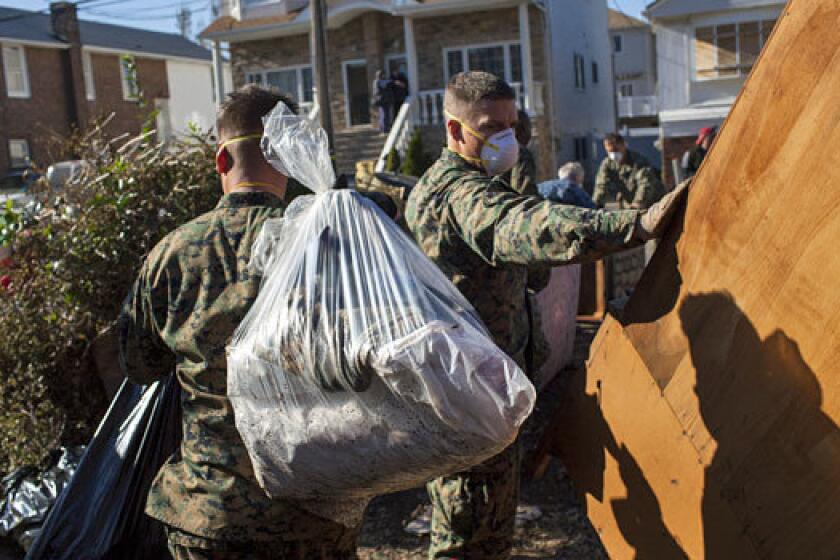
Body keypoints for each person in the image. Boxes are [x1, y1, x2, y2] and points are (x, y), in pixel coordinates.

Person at [405, 71, 689, 560]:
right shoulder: (462, 193)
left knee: (485, 532)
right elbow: (523, 225)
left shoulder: (456, 185)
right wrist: (632, 224)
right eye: (491, 127)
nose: (506, 139)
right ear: (455, 131)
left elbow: (514, 265)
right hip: (470, 403)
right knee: (465, 538)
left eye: (512, 126)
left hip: (477, 394)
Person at [118, 85, 359, 560]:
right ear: (289, 157)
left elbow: (139, 364)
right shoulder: (330, 245)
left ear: (220, 162)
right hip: (315, 512)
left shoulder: (172, 253)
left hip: (210, 514)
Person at [594, 132, 665, 209]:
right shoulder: (607, 164)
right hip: (630, 204)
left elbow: (645, 183)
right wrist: (596, 204)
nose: (613, 154)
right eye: (610, 152)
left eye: (616, 150)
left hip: (652, 203)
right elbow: (601, 185)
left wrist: (638, 202)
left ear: (623, 145)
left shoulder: (638, 162)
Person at [502, 109, 539, 196]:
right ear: (523, 129)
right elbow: (525, 192)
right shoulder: (521, 153)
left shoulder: (496, 150)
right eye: (530, 127)